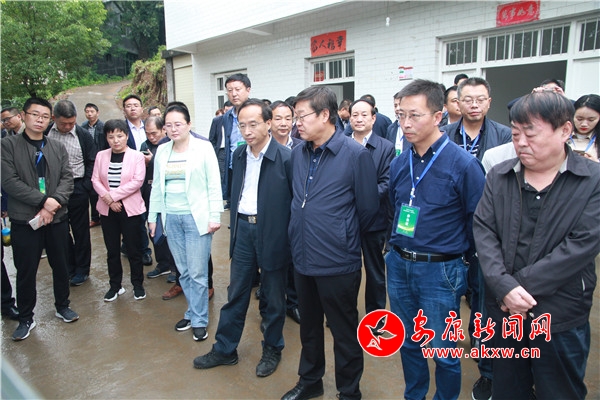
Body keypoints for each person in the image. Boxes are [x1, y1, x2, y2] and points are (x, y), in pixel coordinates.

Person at [473, 91, 600, 400]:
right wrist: (504, 287)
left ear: (565, 130)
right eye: (516, 134)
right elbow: (484, 230)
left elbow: (581, 244)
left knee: (559, 391)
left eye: (530, 134)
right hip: (506, 314)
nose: (521, 143)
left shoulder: (592, 180)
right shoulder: (500, 175)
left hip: (559, 313)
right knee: (508, 390)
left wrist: (515, 288)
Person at [386, 79, 485, 400]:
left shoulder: (463, 164)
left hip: (440, 270)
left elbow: (477, 222)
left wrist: (464, 265)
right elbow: (393, 209)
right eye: (401, 115)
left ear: (438, 116)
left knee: (443, 349)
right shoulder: (400, 162)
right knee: (408, 342)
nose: (406, 123)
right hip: (399, 263)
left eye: (414, 115)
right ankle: (414, 395)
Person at [281, 86, 378, 400]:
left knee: (343, 330)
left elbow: (368, 211)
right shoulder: (298, 153)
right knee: (308, 327)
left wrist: (340, 235)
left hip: (338, 261)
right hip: (302, 257)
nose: (297, 123)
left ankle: (349, 391)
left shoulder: (355, 155)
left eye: (302, 116)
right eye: (295, 116)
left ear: (325, 115)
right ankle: (310, 381)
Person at [194, 99, 293, 377]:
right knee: (236, 292)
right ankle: (225, 349)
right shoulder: (239, 155)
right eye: (242, 125)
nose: (247, 131)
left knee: (273, 297)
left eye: (253, 124)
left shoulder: (286, 158)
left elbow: (295, 203)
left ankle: (272, 348)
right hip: (243, 230)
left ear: (268, 123)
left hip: (272, 232)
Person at [1, 97, 79, 341]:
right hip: (25, 221)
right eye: (35, 114)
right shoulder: (7, 146)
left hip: (56, 218)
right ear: (23, 116)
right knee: (26, 270)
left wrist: (53, 204)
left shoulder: (57, 147)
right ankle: (26, 317)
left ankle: (62, 305)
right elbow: (9, 182)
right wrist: (44, 201)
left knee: (61, 265)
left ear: (50, 120)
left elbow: (67, 179)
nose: (39, 120)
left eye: (45, 116)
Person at [148, 103, 223, 342]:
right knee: (184, 272)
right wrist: (153, 217)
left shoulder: (203, 147)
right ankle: (192, 312)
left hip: (196, 217)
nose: (173, 129)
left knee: (198, 272)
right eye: (168, 125)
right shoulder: (162, 150)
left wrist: (215, 216)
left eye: (178, 124)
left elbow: (214, 183)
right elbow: (157, 187)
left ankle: (199, 320)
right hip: (171, 217)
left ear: (189, 124)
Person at [92, 119, 147, 301]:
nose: (116, 140)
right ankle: (115, 286)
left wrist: (113, 196)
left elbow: (137, 181)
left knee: (134, 250)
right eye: (111, 137)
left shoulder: (137, 156)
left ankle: (137, 285)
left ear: (126, 136)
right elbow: (95, 180)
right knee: (112, 250)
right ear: (106, 138)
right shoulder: (101, 156)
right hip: (108, 210)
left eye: (120, 136)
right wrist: (108, 200)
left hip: (130, 209)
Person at [348, 98, 394, 313]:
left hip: (374, 220)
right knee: (347, 270)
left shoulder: (385, 147)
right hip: (346, 219)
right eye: (355, 115)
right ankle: (344, 313)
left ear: (373, 118)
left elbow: (386, 183)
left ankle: (375, 316)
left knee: (375, 270)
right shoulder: (340, 145)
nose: (359, 119)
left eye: (364, 115)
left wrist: (361, 199)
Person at [47, 100, 96, 287]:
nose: (68, 127)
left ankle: (82, 269)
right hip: (54, 191)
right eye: (63, 124)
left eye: (71, 123)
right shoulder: (46, 134)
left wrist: (85, 186)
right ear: (54, 118)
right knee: (60, 231)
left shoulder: (83, 135)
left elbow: (92, 161)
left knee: (80, 231)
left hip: (77, 188)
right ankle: (69, 266)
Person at [208, 73, 252, 209]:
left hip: (254, 165)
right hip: (234, 167)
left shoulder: (258, 111)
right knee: (235, 204)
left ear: (248, 90)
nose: (234, 94)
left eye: (238, 89)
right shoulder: (226, 117)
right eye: (230, 90)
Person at [81, 103, 107, 228]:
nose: (89, 114)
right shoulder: (83, 127)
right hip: (89, 162)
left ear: (97, 112)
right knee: (91, 191)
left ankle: (102, 215)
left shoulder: (103, 127)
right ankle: (95, 217)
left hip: (101, 161)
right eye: (87, 111)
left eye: (92, 111)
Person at [571, 94, 599, 162]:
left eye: (591, 120)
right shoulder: (561, 134)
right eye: (579, 119)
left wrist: (596, 164)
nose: (584, 124)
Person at [386, 91, 410, 157]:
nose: (397, 108)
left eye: (400, 104)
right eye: (395, 105)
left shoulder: (413, 126)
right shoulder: (391, 129)